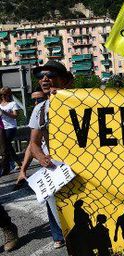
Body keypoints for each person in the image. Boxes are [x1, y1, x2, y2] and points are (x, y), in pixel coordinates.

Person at [28, 60, 73, 249]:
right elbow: (33, 143)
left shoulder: (79, 101)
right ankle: (61, 236)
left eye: (51, 75)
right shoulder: (40, 110)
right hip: (56, 168)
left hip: (81, 163)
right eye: (41, 76)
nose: (45, 79)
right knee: (56, 205)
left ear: (65, 81)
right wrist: (40, 157)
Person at [14, 89, 46, 189]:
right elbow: (32, 145)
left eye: (39, 99)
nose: (36, 103)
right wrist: (23, 170)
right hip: (47, 160)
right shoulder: (37, 112)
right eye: (34, 100)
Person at [0, 88, 21, 174]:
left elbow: (15, 116)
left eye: (5, 95)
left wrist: (4, 112)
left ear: (9, 94)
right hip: (2, 128)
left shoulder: (13, 104)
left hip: (11, 127)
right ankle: (18, 162)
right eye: (2, 95)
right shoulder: (0, 104)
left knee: (6, 146)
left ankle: (6, 167)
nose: (3, 97)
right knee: (8, 146)